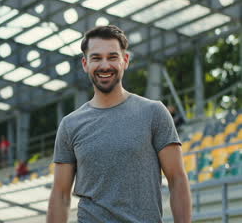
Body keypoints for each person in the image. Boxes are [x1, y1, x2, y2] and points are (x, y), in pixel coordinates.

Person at [47, 25, 192, 223]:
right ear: (85, 63)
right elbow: (61, 195)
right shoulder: (70, 125)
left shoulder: (154, 112)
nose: (104, 65)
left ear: (125, 60)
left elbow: (177, 180)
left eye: (112, 57)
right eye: (96, 58)